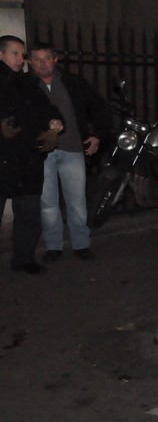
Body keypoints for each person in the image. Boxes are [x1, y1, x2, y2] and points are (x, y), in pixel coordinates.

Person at [28, 42, 110, 261]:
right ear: (29, 62)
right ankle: (53, 246)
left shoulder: (73, 83)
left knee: (77, 200)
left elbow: (98, 107)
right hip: (40, 152)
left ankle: (81, 243)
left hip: (73, 148)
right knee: (48, 203)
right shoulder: (25, 85)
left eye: (47, 58)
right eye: (37, 59)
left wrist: (97, 134)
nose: (42, 63)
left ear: (55, 59)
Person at [0, 35, 64, 274]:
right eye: (15, 53)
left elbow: (45, 110)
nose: (21, 58)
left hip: (27, 159)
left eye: (22, 53)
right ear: (1, 55)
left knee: (28, 212)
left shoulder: (27, 84)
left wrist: (55, 124)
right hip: (3, 159)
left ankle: (24, 259)